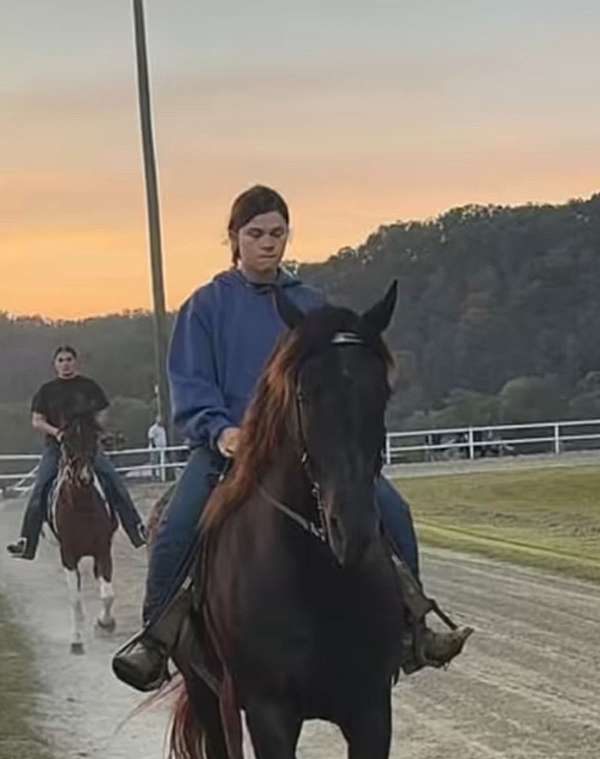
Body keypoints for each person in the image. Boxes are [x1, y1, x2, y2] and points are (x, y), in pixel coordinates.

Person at [113, 185, 471, 690]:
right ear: (234, 239)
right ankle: (155, 640)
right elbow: (190, 385)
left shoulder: (310, 305)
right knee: (177, 524)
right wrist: (221, 431)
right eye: (256, 233)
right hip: (227, 450)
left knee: (393, 510)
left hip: (303, 452)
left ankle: (414, 624)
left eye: (277, 233)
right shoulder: (206, 306)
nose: (268, 243)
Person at [6, 346, 147, 560]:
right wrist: (57, 433)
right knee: (41, 486)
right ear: (55, 364)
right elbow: (37, 421)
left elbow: (102, 412)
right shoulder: (47, 391)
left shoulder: (88, 387)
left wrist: (94, 429)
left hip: (86, 446)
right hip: (57, 447)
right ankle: (27, 541)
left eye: (69, 359)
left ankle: (136, 529)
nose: (65, 364)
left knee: (113, 480)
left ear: (76, 362)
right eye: (61, 360)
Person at [147, 416, 167, 480]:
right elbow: (151, 437)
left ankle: (162, 476)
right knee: (154, 463)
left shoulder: (162, 428)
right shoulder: (153, 428)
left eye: (161, 420)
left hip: (162, 449)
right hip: (155, 448)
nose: (161, 421)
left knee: (162, 462)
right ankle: (154, 476)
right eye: (159, 420)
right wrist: (154, 447)